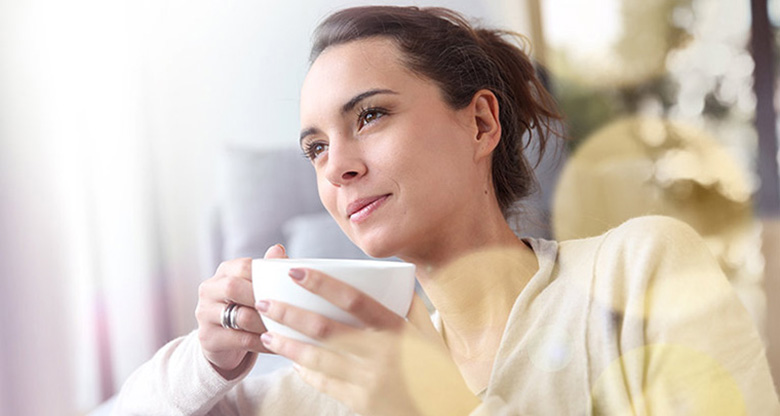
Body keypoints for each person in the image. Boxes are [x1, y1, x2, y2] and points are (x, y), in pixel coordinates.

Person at [113, 6, 780, 415]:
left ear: (482, 124)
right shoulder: (337, 374)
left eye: (370, 115)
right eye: (315, 147)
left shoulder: (636, 271)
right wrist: (209, 360)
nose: (336, 165)